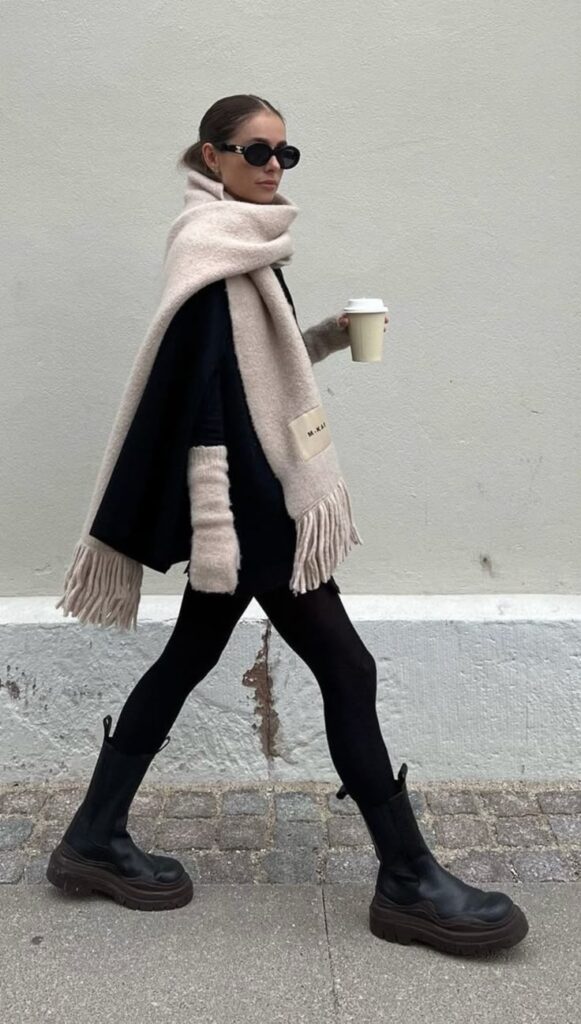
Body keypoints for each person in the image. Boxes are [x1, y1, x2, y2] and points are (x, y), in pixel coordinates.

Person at [47, 94, 528, 956]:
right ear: (212, 155)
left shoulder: (247, 242)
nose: (274, 165)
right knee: (347, 665)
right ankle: (408, 877)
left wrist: (328, 336)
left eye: (285, 152)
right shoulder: (211, 250)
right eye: (256, 150)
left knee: (191, 660)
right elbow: (199, 405)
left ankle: (93, 836)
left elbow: (249, 373)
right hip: (250, 513)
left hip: (253, 505)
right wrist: (221, 532)